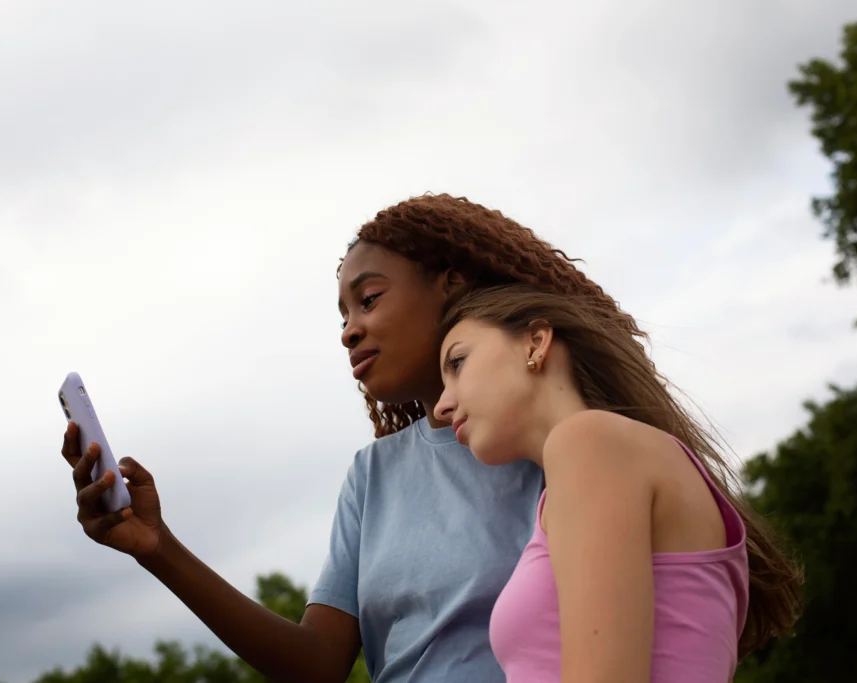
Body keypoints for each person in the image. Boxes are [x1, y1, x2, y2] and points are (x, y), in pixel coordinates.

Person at [60, 194, 643, 683]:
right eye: (341, 316)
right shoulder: (374, 474)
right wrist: (159, 547)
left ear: (452, 284)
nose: (349, 332)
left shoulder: (570, 446)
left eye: (369, 299)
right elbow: (317, 663)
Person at [432, 284, 804, 682]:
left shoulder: (590, 442)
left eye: (457, 362)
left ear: (536, 344)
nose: (442, 405)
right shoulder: (605, 456)